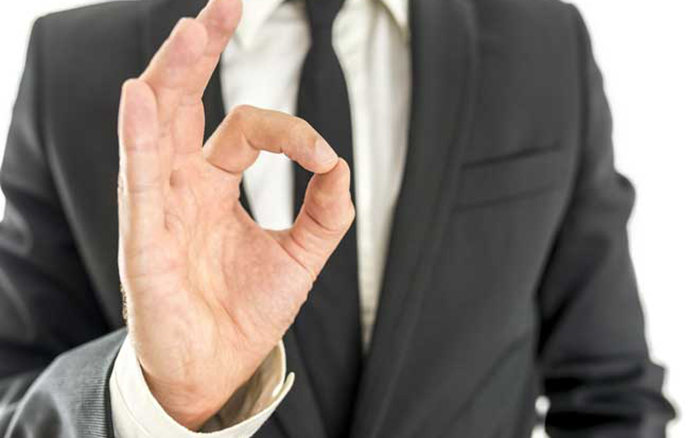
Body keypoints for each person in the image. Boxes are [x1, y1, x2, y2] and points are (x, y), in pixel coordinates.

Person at [0, 0, 676, 436]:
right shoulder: (75, 65)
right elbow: (14, 399)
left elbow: (613, 393)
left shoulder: (543, 45)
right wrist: (152, 400)